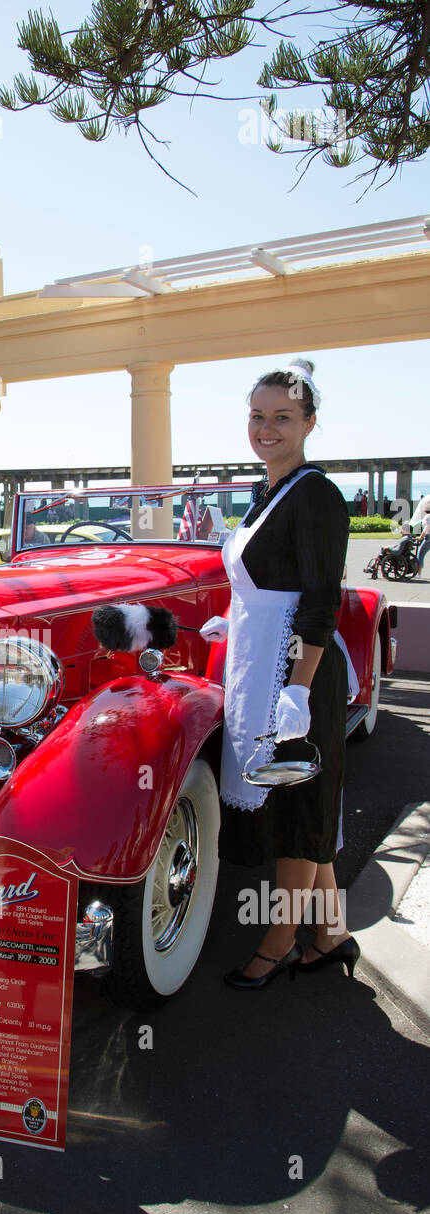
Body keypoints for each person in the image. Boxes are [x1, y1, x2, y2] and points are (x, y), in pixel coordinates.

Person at [202, 359, 358, 988]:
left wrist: (297, 686)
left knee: (298, 811)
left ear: (309, 423)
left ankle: (279, 939)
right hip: (261, 658)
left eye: (283, 418)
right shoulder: (269, 489)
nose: (267, 429)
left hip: (297, 673)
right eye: (258, 416)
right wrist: (236, 624)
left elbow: (322, 600)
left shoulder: (316, 494)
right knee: (302, 802)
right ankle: (330, 934)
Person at [417, 499, 430, 577]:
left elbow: (427, 528)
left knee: (420, 554)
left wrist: (421, 537)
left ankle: (419, 573)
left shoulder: (428, 517)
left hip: (428, 538)